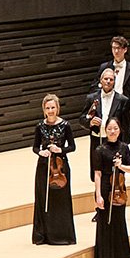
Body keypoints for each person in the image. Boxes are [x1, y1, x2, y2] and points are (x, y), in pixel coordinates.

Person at [31, 94, 76, 246]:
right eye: (48, 108)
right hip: (44, 167)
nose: (50, 111)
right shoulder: (39, 126)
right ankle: (44, 235)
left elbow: (72, 147)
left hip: (61, 166)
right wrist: (40, 152)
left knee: (60, 200)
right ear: (44, 110)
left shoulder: (66, 125)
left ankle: (63, 235)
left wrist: (60, 150)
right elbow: (35, 147)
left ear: (58, 108)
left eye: (53, 107)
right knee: (44, 199)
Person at [91, 116, 130, 258]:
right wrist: (98, 195)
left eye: (115, 128)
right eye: (109, 129)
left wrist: (121, 165)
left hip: (119, 187)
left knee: (119, 220)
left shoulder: (124, 147)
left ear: (119, 130)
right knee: (105, 222)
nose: (112, 131)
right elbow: (97, 174)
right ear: (105, 131)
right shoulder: (100, 149)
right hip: (104, 187)